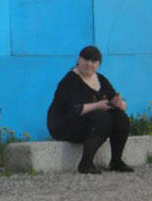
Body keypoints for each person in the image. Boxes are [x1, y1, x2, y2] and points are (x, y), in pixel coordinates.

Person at [47, 45, 134, 174]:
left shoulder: (101, 79)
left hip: (90, 124)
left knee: (121, 118)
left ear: (99, 64)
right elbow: (73, 110)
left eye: (94, 61)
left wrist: (120, 103)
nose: (89, 64)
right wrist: (98, 105)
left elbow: (118, 101)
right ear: (79, 60)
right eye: (86, 59)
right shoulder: (70, 81)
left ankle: (116, 161)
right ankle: (86, 163)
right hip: (64, 125)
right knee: (102, 117)